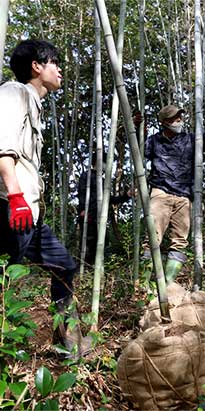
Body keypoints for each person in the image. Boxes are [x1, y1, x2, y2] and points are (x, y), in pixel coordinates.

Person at [0, 39, 91, 359]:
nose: (60, 68)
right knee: (5, 279)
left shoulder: (35, 105)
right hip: (11, 206)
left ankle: (65, 341)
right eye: (54, 62)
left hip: (29, 213)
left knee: (63, 266)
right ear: (36, 67)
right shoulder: (13, 92)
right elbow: (2, 147)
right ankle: (7, 354)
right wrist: (15, 196)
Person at [133, 105, 205, 284]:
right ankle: (144, 285)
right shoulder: (154, 141)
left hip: (184, 196)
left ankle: (168, 285)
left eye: (179, 116)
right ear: (163, 122)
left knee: (179, 241)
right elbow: (138, 150)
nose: (178, 120)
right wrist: (138, 129)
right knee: (152, 237)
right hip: (160, 192)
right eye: (173, 118)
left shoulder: (191, 140)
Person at [76, 166, 132, 263]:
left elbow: (109, 199)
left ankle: (94, 269)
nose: (106, 166)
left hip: (99, 216)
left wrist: (126, 196)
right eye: (104, 163)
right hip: (88, 214)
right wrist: (82, 210)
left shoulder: (102, 180)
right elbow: (82, 193)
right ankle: (84, 269)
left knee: (102, 241)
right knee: (88, 243)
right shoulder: (86, 175)